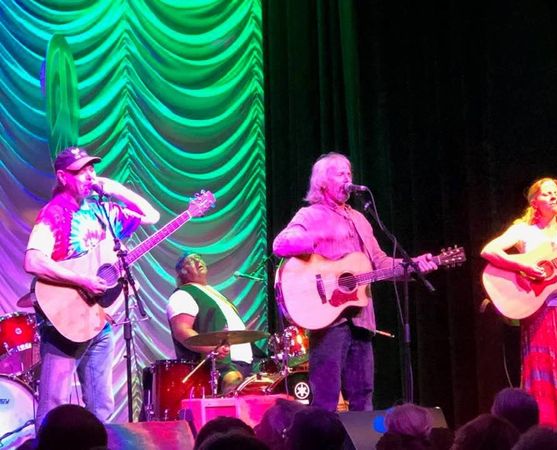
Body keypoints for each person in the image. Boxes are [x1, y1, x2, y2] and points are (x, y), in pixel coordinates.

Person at [272, 152, 437, 412]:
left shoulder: (360, 219)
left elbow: (380, 263)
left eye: (349, 173)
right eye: (341, 174)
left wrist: (413, 265)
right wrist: (316, 236)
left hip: (363, 320)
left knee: (364, 396)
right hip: (329, 322)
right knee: (326, 397)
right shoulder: (310, 215)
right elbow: (280, 244)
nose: (348, 179)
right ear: (322, 182)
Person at [24, 146, 160, 430]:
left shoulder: (103, 211)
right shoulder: (54, 213)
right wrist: (81, 280)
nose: (89, 176)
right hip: (65, 322)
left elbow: (152, 216)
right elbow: (33, 260)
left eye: (91, 169)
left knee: (101, 405)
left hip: (99, 322)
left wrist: (115, 189)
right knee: (54, 405)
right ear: (63, 177)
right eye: (80, 171)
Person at [481, 177, 557, 435]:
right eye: (547, 193)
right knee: (545, 368)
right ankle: (547, 432)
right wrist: (522, 264)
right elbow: (489, 251)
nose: (554, 196)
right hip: (540, 309)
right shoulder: (523, 230)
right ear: (534, 201)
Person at [166, 252, 254, 394]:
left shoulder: (212, 293)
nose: (197, 261)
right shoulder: (183, 294)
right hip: (219, 370)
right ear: (182, 271)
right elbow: (182, 331)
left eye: (199, 258)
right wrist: (213, 348)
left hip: (243, 365)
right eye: (190, 260)